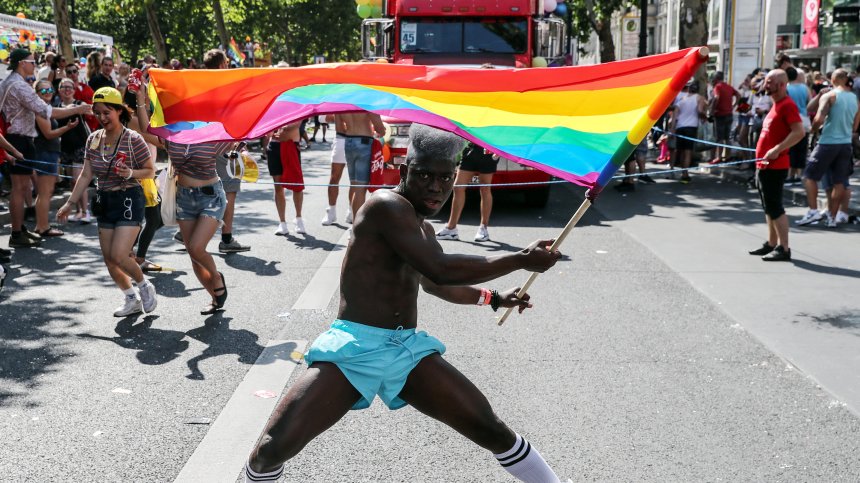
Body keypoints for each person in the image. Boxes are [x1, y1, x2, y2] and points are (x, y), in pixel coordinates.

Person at [244, 124, 563, 483]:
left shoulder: (422, 230)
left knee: (493, 430)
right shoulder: (385, 205)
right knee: (271, 449)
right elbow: (439, 270)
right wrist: (519, 259)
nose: (435, 186)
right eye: (425, 174)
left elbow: (433, 285)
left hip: (406, 351)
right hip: (355, 348)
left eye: (445, 178)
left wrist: (493, 298)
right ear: (404, 170)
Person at [56, 87, 158, 316]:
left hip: (129, 199)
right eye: (98, 113)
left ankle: (144, 286)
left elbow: (150, 171)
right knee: (110, 260)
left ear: (119, 111)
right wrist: (70, 203)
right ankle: (131, 299)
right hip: (104, 199)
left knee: (120, 254)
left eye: (107, 112)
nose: (102, 118)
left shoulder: (133, 139)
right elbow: (85, 174)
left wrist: (130, 172)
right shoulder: (93, 139)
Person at [0, 49, 92, 249]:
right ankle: (17, 232)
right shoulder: (18, 85)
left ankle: (20, 228)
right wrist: (78, 108)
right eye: (32, 62)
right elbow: (45, 110)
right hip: (20, 139)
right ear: (22, 63)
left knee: (23, 188)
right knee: (19, 188)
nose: (35, 65)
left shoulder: (9, 83)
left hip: (19, 138)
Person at [748, 70, 804, 262]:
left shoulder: (787, 105)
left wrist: (777, 150)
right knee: (768, 207)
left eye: (770, 82)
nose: (766, 85)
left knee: (775, 207)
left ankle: (784, 248)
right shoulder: (775, 105)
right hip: (763, 165)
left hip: (775, 166)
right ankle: (771, 243)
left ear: (782, 84)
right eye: (766, 81)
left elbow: (799, 132)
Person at [797, 69, 860, 227]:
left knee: (809, 176)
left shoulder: (830, 96)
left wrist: (813, 130)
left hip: (828, 142)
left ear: (833, 79)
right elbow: (856, 123)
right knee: (840, 182)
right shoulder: (854, 98)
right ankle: (832, 217)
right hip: (845, 143)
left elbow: (818, 118)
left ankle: (813, 211)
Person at [202, 49, 251, 253]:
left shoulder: (202, 87)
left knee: (205, 190)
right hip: (225, 145)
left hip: (205, 144)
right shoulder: (228, 87)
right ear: (222, 65)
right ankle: (227, 238)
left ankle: (188, 229)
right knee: (229, 192)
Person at [33, 79, 80, 237]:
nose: (48, 93)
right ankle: (43, 226)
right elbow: (48, 134)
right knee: (45, 192)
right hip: (44, 152)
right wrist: (67, 127)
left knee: (46, 192)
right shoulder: (39, 109)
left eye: (50, 90)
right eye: (43, 91)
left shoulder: (45, 108)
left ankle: (41, 225)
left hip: (49, 152)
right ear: (37, 94)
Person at [436, 142, 500, 241]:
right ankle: (451, 228)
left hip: (489, 149)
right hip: (470, 149)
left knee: (485, 188)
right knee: (458, 187)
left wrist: (499, 150)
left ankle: (483, 229)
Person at [55, 77, 93, 223]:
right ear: (59, 90)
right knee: (72, 181)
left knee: (78, 180)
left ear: (74, 90)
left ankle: (85, 211)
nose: (67, 89)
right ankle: (77, 210)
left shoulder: (79, 104)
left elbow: (90, 111)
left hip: (80, 146)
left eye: (70, 87)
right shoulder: (56, 107)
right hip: (65, 148)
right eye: (64, 87)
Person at [340, 111, 386, 225]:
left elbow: (339, 128)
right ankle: (357, 227)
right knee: (360, 188)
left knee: (355, 186)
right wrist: (381, 130)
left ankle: (354, 223)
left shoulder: (345, 102)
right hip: (363, 142)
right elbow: (380, 128)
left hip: (348, 141)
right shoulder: (366, 100)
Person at [267, 123, 305, 236]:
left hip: (291, 145)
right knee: (278, 186)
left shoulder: (297, 105)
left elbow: (297, 123)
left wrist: (282, 127)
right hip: (274, 147)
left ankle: (299, 218)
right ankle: (282, 222)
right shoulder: (273, 106)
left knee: (297, 185)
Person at [669, 80, 706, 183]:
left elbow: (675, 116)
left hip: (680, 127)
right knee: (688, 152)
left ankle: (682, 171)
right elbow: (699, 111)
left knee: (681, 151)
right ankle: (685, 175)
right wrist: (705, 116)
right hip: (691, 127)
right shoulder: (699, 98)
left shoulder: (681, 99)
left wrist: (672, 130)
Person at [785, 67, 812, 184]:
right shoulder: (805, 88)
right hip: (804, 119)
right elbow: (810, 102)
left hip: (790, 120)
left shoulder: (786, 88)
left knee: (790, 147)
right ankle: (799, 174)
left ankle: (790, 173)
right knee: (802, 146)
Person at [321, 114, 349, 225]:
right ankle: (331, 211)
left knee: (355, 180)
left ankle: (352, 211)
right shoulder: (339, 99)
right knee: (334, 177)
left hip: (358, 138)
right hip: (341, 139)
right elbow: (323, 118)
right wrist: (335, 115)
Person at [708, 71, 739, 164]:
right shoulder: (728, 86)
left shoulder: (718, 87)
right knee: (727, 137)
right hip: (729, 114)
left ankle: (719, 157)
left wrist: (712, 111)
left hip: (720, 115)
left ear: (716, 79)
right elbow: (738, 95)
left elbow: (716, 98)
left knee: (719, 138)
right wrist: (733, 106)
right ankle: (728, 156)